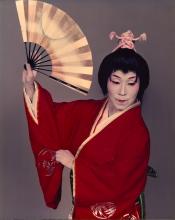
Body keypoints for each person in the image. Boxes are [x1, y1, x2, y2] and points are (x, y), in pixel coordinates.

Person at [23, 30, 150, 219]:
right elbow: (54, 119)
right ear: (106, 81)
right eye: (116, 81)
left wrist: (74, 164)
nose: (123, 91)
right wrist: (30, 86)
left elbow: (119, 185)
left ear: (140, 86)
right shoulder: (90, 111)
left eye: (131, 83)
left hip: (119, 213)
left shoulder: (138, 134)